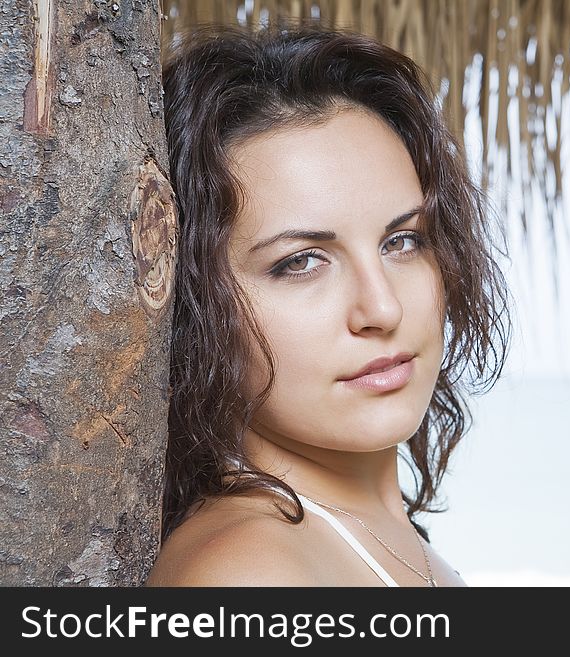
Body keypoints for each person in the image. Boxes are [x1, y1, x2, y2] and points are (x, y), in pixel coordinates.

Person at [145, 22, 512, 587]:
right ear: (195, 304)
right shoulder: (250, 572)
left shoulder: (373, 537)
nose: (382, 309)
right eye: (301, 262)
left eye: (403, 241)